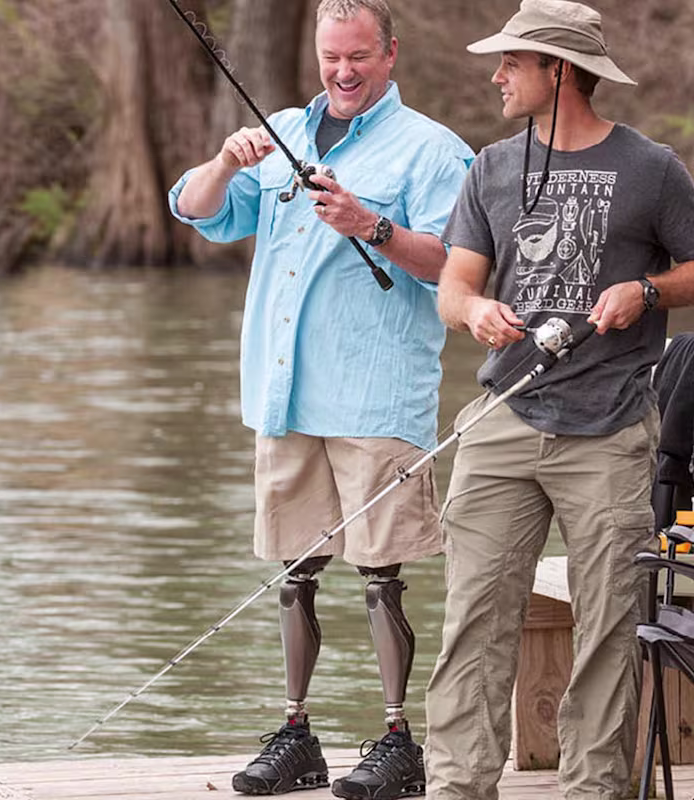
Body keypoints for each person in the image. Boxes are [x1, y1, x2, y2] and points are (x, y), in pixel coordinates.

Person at [169, 0, 472, 796]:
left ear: (390, 53)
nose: (343, 71)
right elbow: (196, 210)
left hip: (376, 396)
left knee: (381, 574)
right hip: (286, 395)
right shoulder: (279, 135)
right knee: (295, 569)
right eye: (332, 56)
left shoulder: (433, 150)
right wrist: (225, 163)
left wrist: (370, 224)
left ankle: (398, 743)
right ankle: (298, 736)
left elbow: (457, 267)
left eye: (359, 56)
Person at [426, 0, 694, 798]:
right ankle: (457, 787)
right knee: (473, 620)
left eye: (513, 62)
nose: (497, 76)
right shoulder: (491, 167)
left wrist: (648, 291)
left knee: (608, 627)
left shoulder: (652, 168)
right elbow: (454, 285)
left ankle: (593, 789)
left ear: (561, 71)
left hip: (612, 429)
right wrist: (475, 311)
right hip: (504, 420)